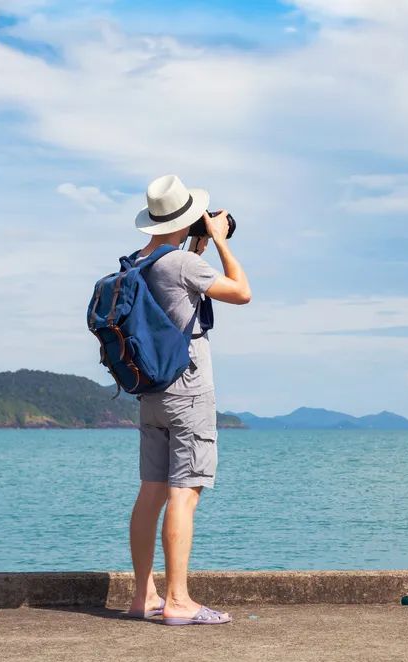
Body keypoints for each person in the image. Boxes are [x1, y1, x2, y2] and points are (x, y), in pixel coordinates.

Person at [125, 175, 251, 626]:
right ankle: (178, 600)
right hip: (189, 390)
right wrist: (219, 241)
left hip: (151, 393)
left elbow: (175, 291)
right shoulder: (182, 264)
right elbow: (242, 292)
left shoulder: (138, 263)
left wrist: (195, 245)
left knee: (151, 491)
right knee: (185, 492)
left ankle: (144, 596)